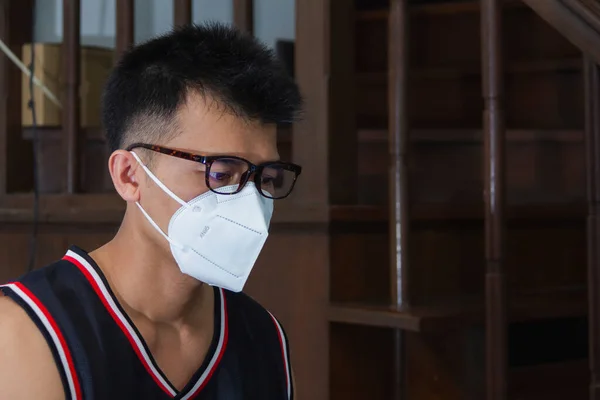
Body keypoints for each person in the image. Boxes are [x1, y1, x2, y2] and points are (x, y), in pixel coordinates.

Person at [0, 22, 303, 400]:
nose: (250, 201)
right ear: (129, 175)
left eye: (266, 177)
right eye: (222, 173)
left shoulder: (264, 337)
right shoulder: (27, 333)